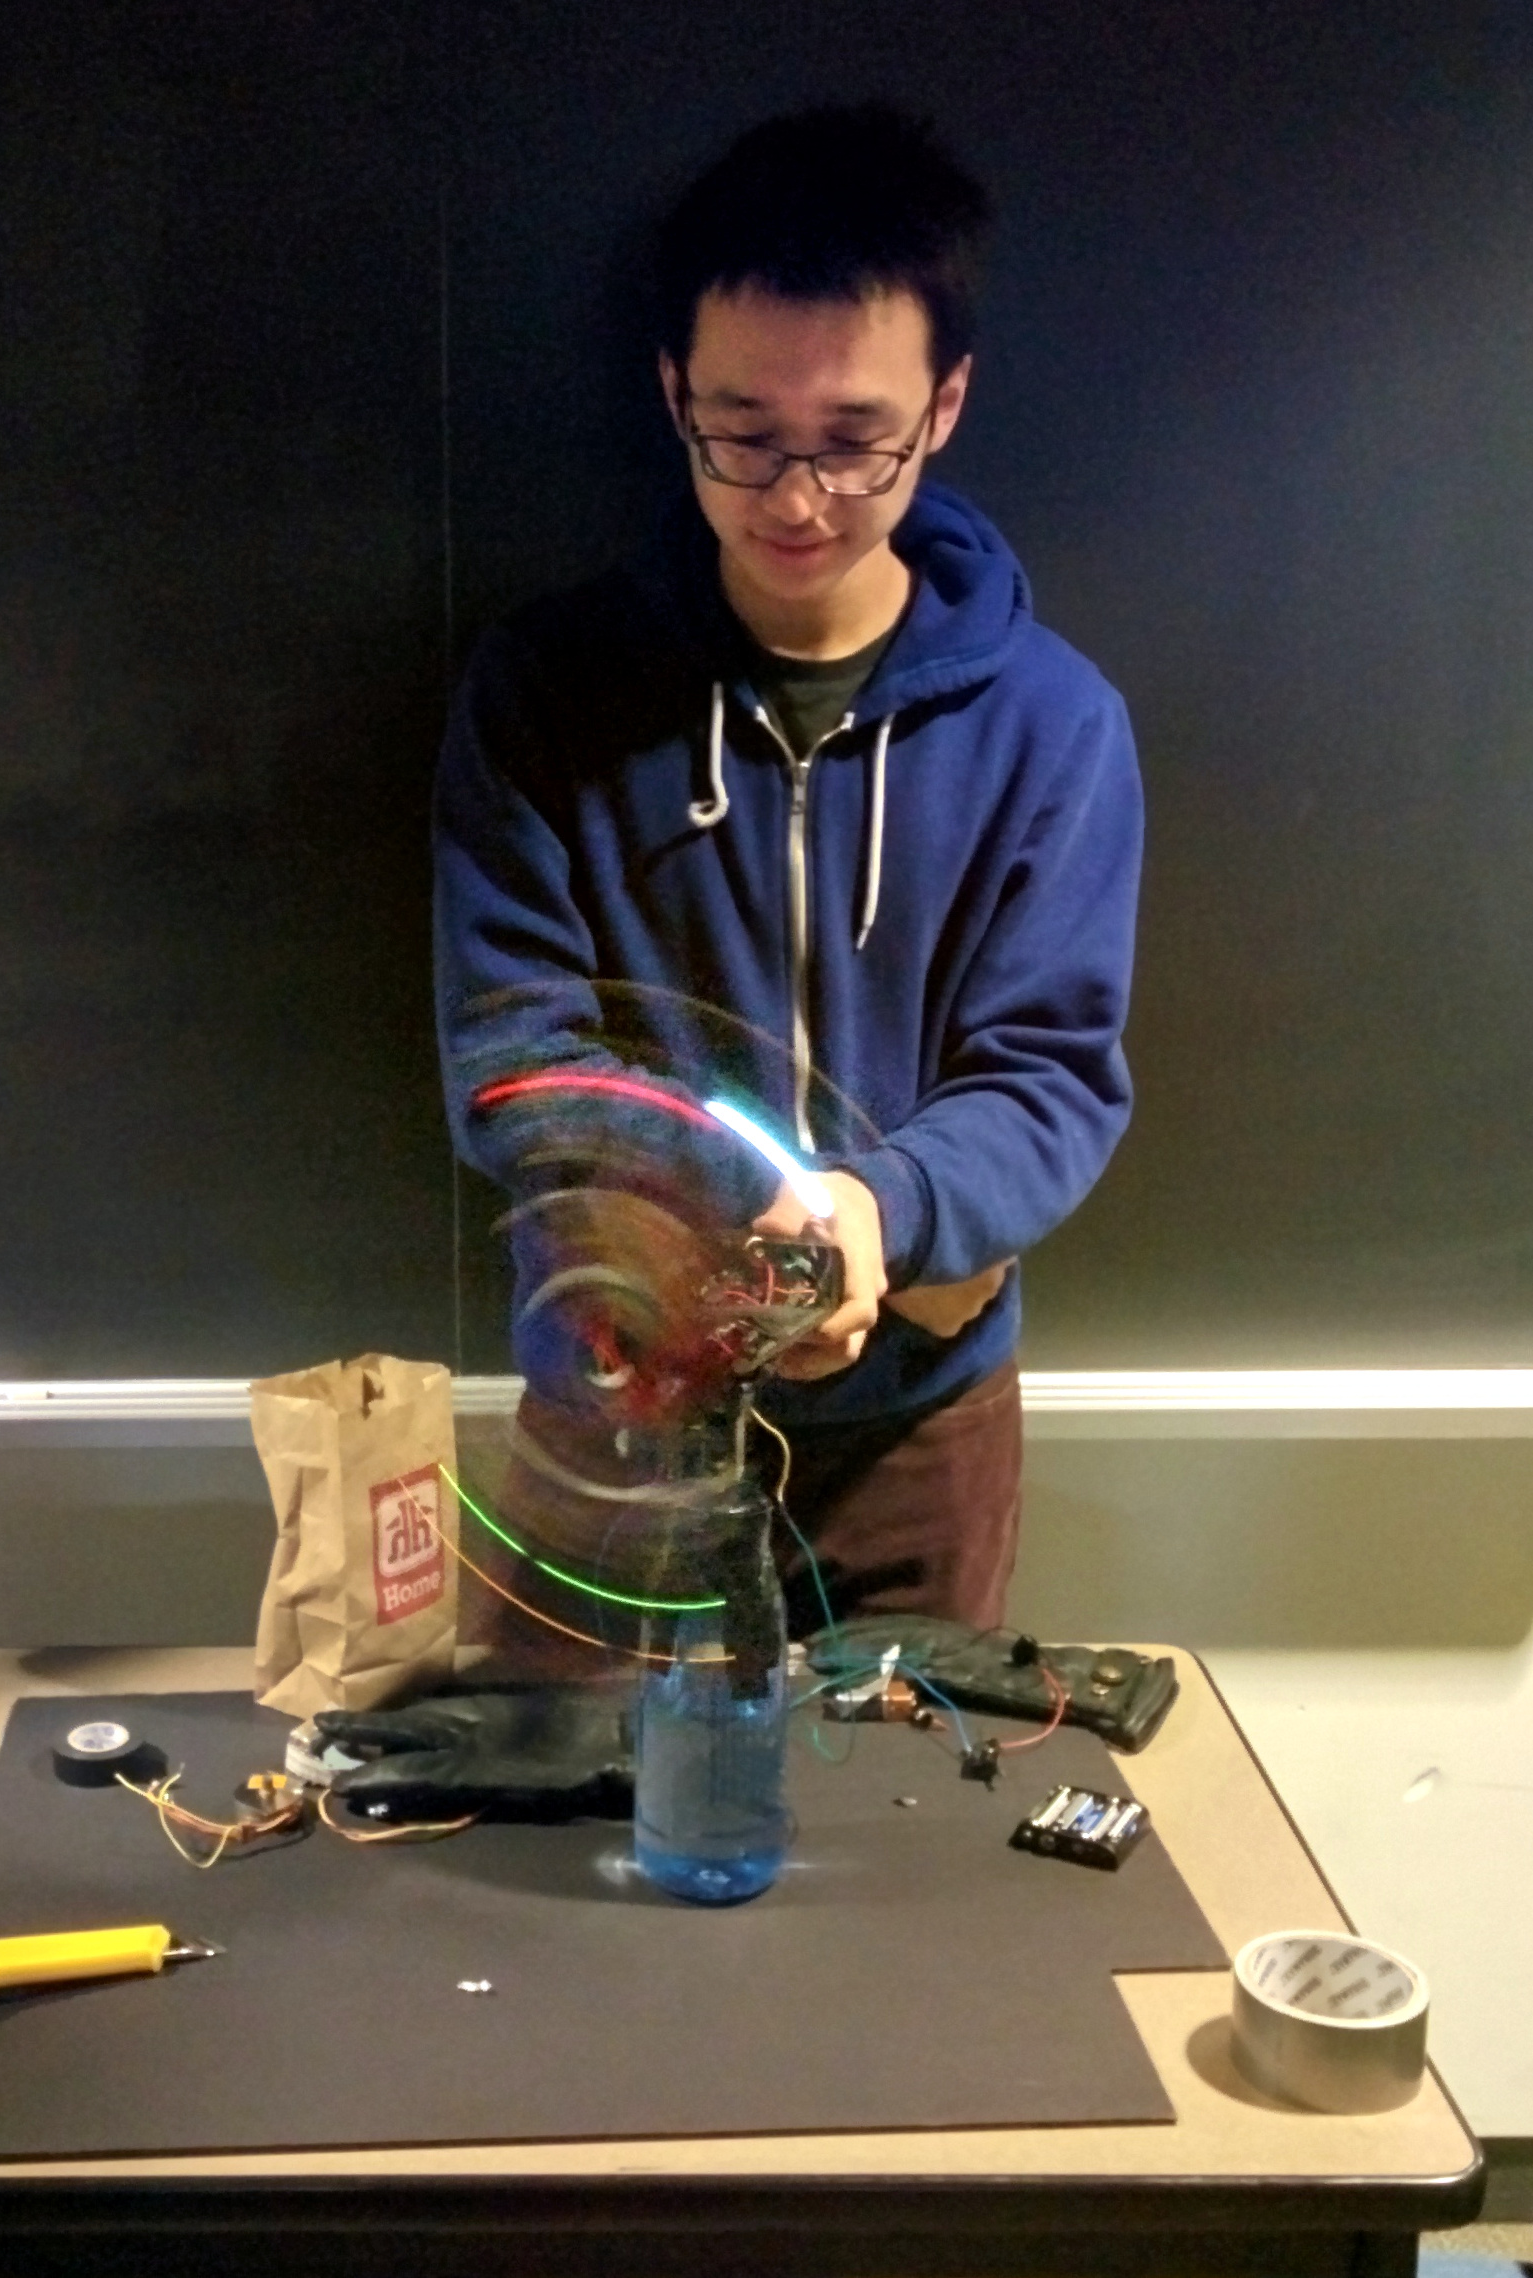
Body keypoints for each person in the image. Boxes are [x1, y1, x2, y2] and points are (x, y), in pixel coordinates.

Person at [433, 103, 1142, 1657]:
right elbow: (510, 1060)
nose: (796, 497)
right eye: (743, 434)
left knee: (899, 1801)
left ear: (944, 405)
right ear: (672, 391)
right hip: (618, 1412)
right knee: (555, 1800)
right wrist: (736, 1198)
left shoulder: (1053, 725)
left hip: (914, 1432)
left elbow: (1049, 1077)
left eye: (852, 439)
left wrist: (874, 1211)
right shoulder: (544, 691)